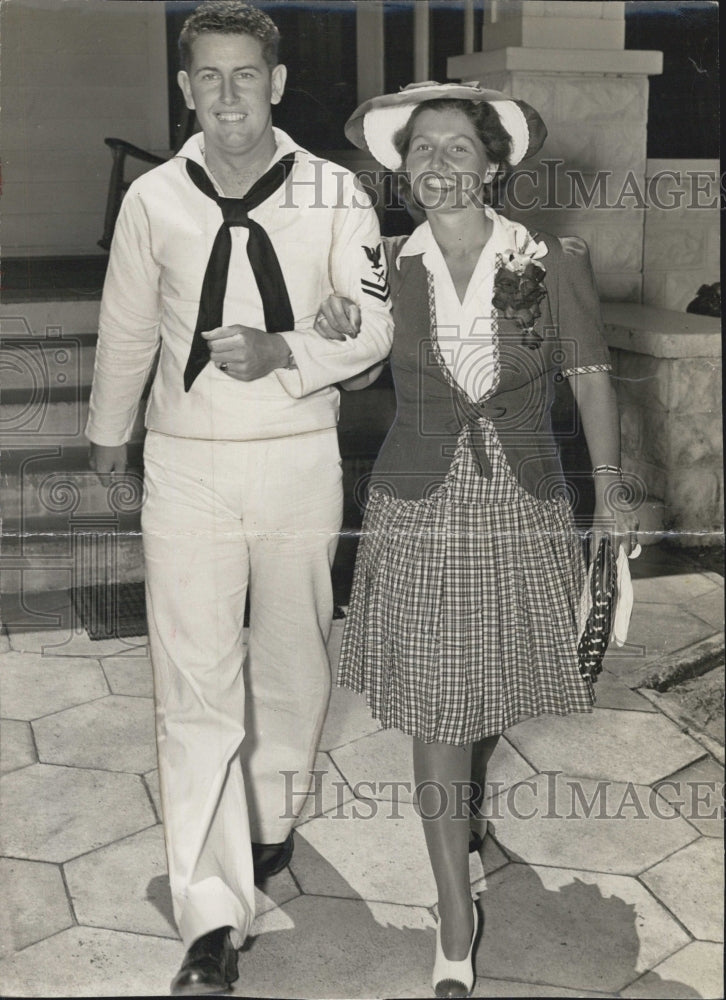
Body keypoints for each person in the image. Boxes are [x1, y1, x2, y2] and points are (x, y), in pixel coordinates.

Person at [86, 3, 393, 994]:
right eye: (208, 77)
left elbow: (373, 327)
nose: (227, 94)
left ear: (276, 82)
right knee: (194, 683)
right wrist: (107, 434)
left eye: (244, 75)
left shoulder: (336, 193)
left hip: (298, 458)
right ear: (185, 89)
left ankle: (265, 825)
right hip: (186, 464)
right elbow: (128, 325)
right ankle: (211, 914)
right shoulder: (154, 201)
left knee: (297, 665)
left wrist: (287, 351)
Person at [315, 82, 639, 999]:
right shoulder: (383, 264)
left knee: (487, 680)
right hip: (418, 501)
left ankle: (460, 809)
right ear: (403, 169)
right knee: (435, 707)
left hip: (522, 500)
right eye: (422, 150)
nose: (438, 165)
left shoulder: (549, 257)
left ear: (493, 166)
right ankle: (455, 918)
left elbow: (589, 376)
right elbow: (365, 354)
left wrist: (610, 495)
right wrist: (336, 324)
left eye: (459, 148)